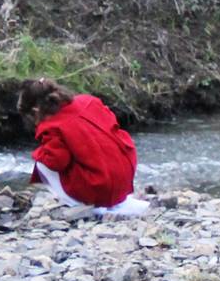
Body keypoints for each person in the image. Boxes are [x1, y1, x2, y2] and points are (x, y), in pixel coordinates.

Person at [16, 78, 150, 217]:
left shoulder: (52, 126)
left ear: (35, 111)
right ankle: (116, 201)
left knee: (42, 164)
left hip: (101, 187)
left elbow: (56, 161)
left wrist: (37, 154)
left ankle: (82, 205)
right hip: (124, 178)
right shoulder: (89, 101)